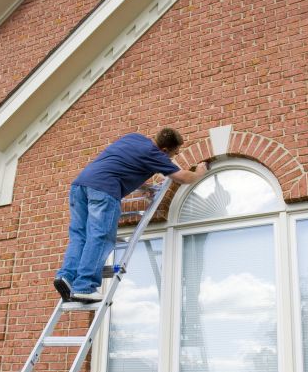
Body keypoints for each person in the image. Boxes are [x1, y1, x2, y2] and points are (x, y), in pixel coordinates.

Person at [54, 128, 207, 303]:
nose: (174, 156)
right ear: (165, 150)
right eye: (174, 152)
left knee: (79, 236)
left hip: (79, 187)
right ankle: (85, 286)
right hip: (103, 190)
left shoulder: (133, 138)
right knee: (100, 236)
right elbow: (183, 177)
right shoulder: (155, 154)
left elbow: (120, 165)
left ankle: (65, 276)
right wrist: (200, 172)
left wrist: (144, 188)